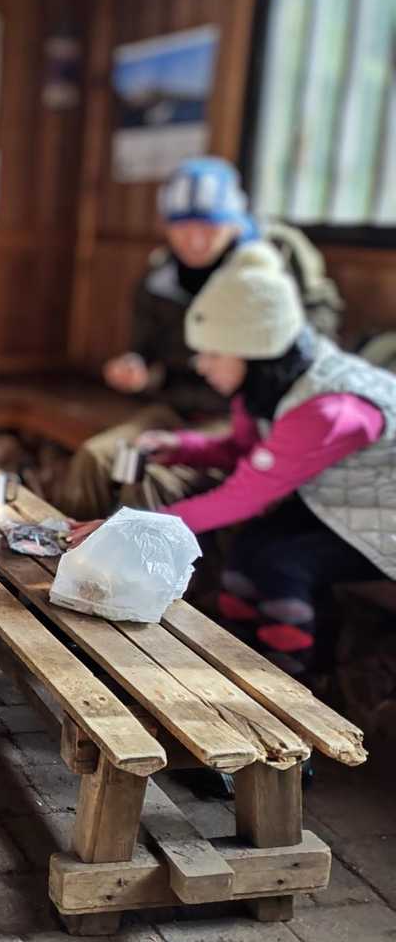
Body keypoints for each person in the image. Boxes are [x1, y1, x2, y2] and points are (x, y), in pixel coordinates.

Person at [70, 241, 396, 684]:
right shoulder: (269, 383)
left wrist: (134, 526)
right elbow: (244, 450)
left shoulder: (328, 410)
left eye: (213, 353)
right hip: (341, 504)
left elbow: (243, 495)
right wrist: (179, 447)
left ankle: (287, 684)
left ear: (255, 349)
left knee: (282, 561)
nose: (201, 366)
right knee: (248, 549)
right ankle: (236, 659)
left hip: (382, 520)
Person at [57, 157, 342, 520]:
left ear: (235, 221)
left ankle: (133, 554)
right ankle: (69, 548)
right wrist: (137, 368)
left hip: (242, 413)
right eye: (182, 228)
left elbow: (316, 331)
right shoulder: (160, 275)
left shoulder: (274, 259)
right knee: (95, 457)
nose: (194, 240)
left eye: (209, 226)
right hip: (175, 405)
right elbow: (145, 350)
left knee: (149, 482)